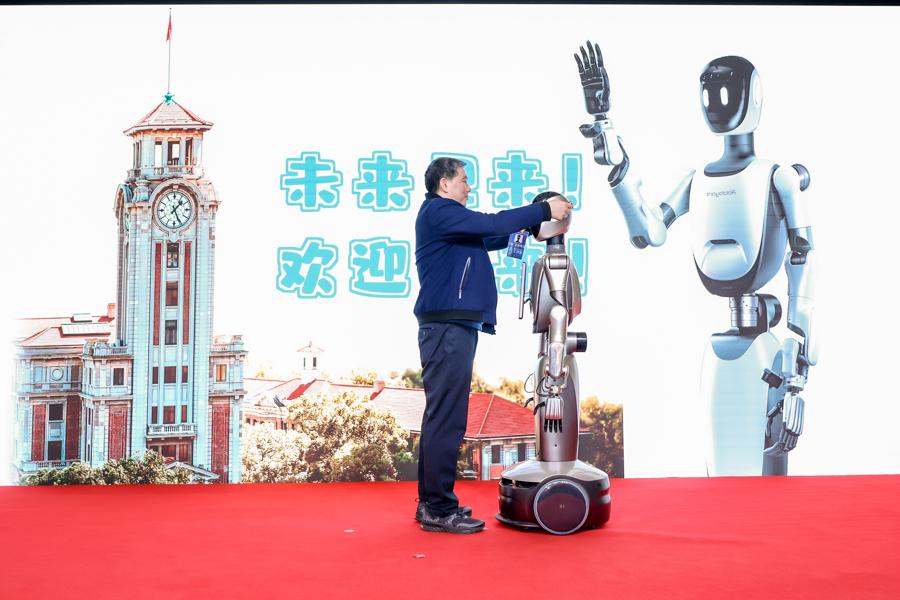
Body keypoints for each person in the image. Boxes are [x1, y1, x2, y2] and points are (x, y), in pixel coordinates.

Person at [413, 157, 573, 533]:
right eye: (463, 180)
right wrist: (542, 209)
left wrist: (531, 225)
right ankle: (438, 509)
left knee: (443, 417)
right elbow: (491, 223)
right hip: (447, 327)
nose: (469, 187)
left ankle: (432, 505)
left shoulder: (451, 223)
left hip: (454, 326)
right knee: (446, 419)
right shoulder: (438, 212)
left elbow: (494, 236)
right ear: (444, 184)